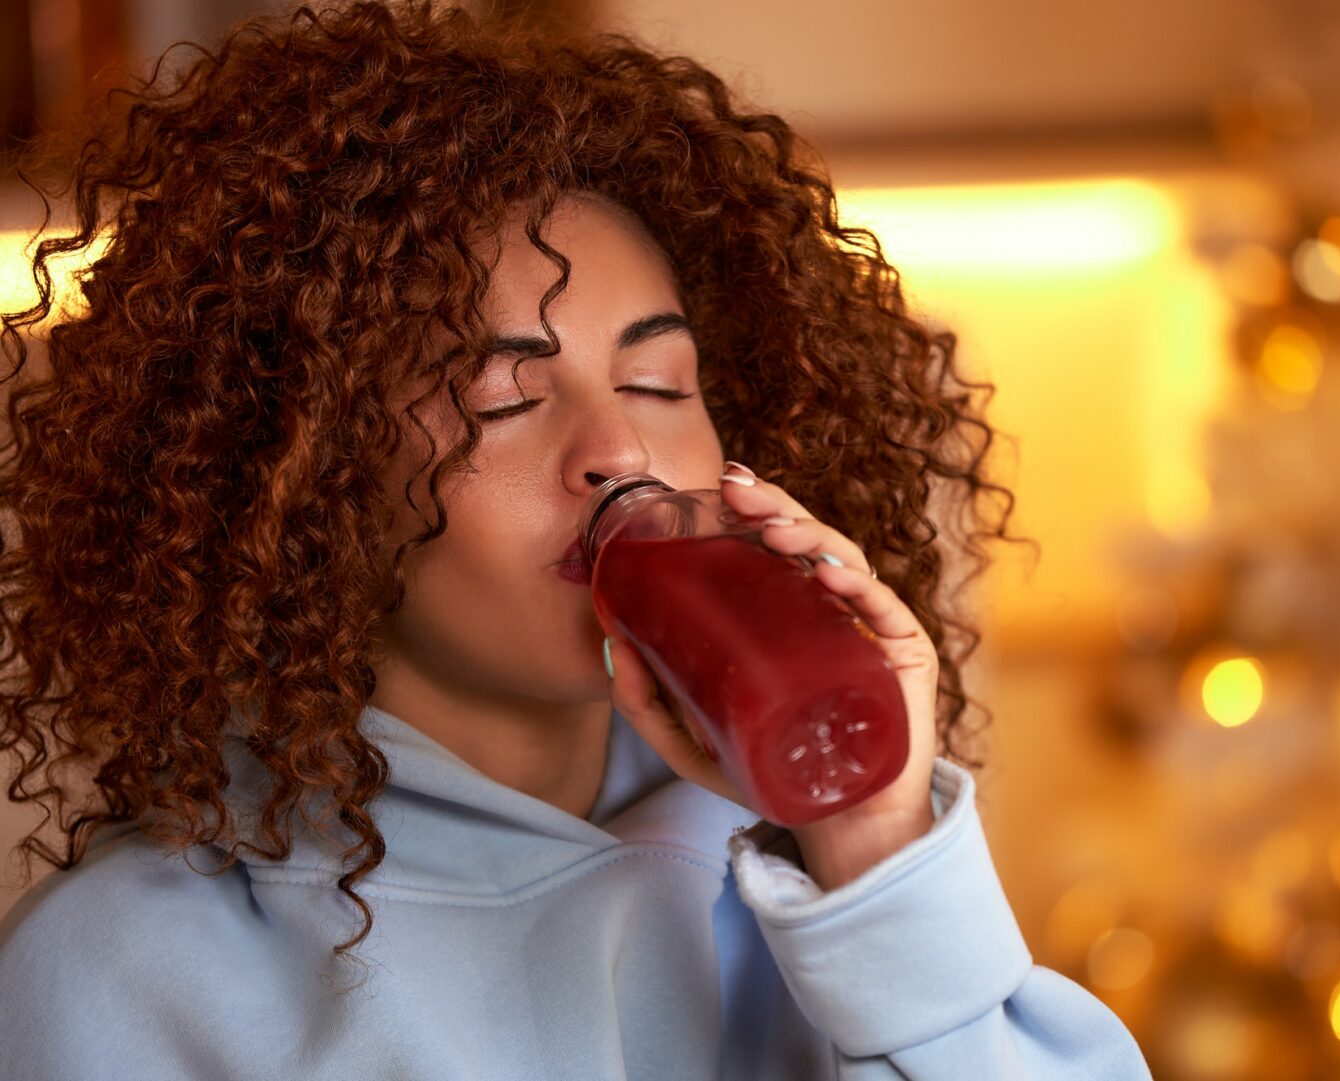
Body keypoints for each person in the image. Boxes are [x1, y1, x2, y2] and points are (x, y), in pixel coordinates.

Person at [0, 1, 1153, 1077]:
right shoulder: (119, 971)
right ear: (302, 473)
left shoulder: (820, 871)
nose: (619, 450)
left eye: (659, 382)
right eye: (503, 395)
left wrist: (878, 856)